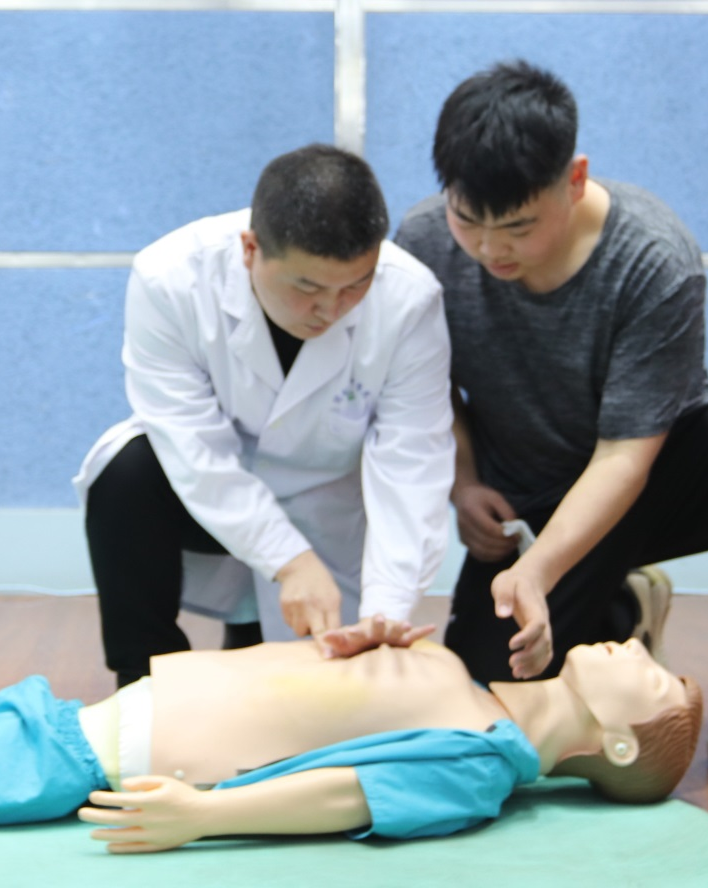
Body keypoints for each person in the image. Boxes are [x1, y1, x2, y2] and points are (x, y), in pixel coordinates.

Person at [393, 61, 708, 797]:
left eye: (518, 227)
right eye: (468, 220)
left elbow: (623, 457)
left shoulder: (652, 257)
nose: (489, 249)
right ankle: (620, 606)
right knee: (484, 705)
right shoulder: (421, 243)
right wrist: (465, 482)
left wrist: (537, 575)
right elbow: (423, 383)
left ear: (574, 180)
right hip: (531, 504)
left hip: (650, 476)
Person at [0, 631, 702, 852]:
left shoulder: (481, 761)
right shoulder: (474, 691)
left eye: (652, 676)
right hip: (65, 721)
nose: (635, 647)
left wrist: (204, 816)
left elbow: (352, 794)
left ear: (615, 744)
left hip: (64, 761)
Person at [73, 145, 455, 687]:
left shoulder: (410, 299)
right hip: (207, 494)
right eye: (307, 287)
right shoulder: (170, 280)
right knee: (126, 470)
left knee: (297, 684)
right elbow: (193, 450)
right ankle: (141, 677)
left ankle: (252, 632)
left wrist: (387, 610)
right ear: (250, 249)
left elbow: (411, 463)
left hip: (330, 504)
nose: (331, 310)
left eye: (356, 285)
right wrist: (289, 561)